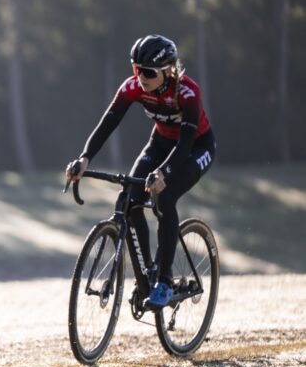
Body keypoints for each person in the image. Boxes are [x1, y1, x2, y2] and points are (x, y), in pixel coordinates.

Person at [65, 35, 216, 309]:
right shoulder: (134, 87)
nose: (140, 76)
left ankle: (165, 280)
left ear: (169, 70)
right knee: (129, 199)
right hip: (159, 144)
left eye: (147, 72)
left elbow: (184, 145)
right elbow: (109, 121)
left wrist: (164, 174)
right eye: (136, 69)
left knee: (165, 197)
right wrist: (85, 158)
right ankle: (146, 274)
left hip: (195, 148)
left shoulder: (187, 93)